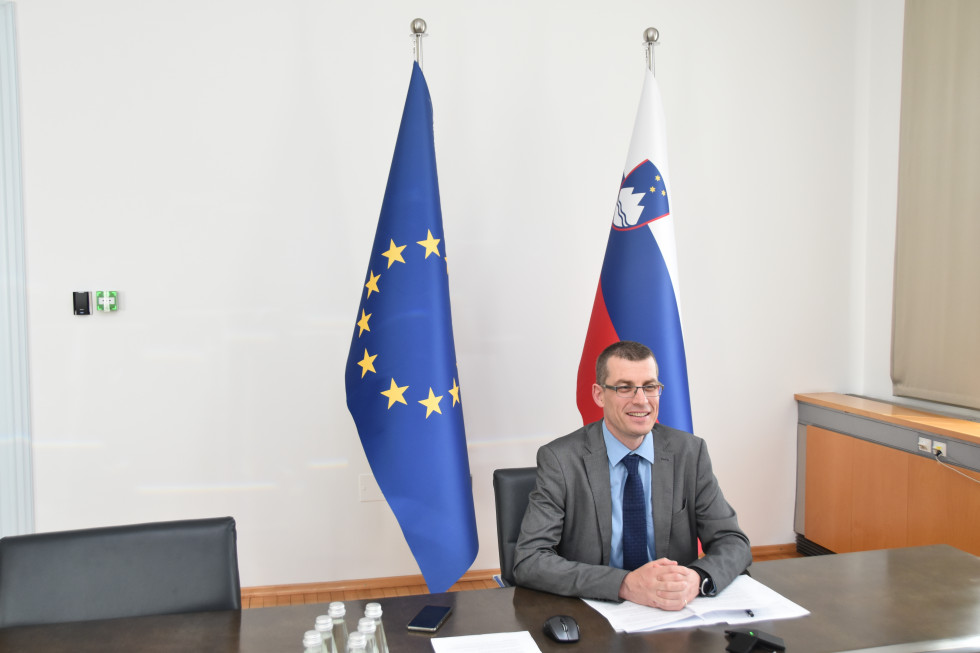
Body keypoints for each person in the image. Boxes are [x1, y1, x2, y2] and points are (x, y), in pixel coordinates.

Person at [513, 340, 751, 610]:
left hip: (672, 613)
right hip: (595, 611)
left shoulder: (690, 453)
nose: (642, 400)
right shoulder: (560, 460)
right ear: (599, 394)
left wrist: (697, 578)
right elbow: (529, 560)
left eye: (650, 386)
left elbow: (733, 542)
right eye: (625, 387)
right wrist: (624, 584)